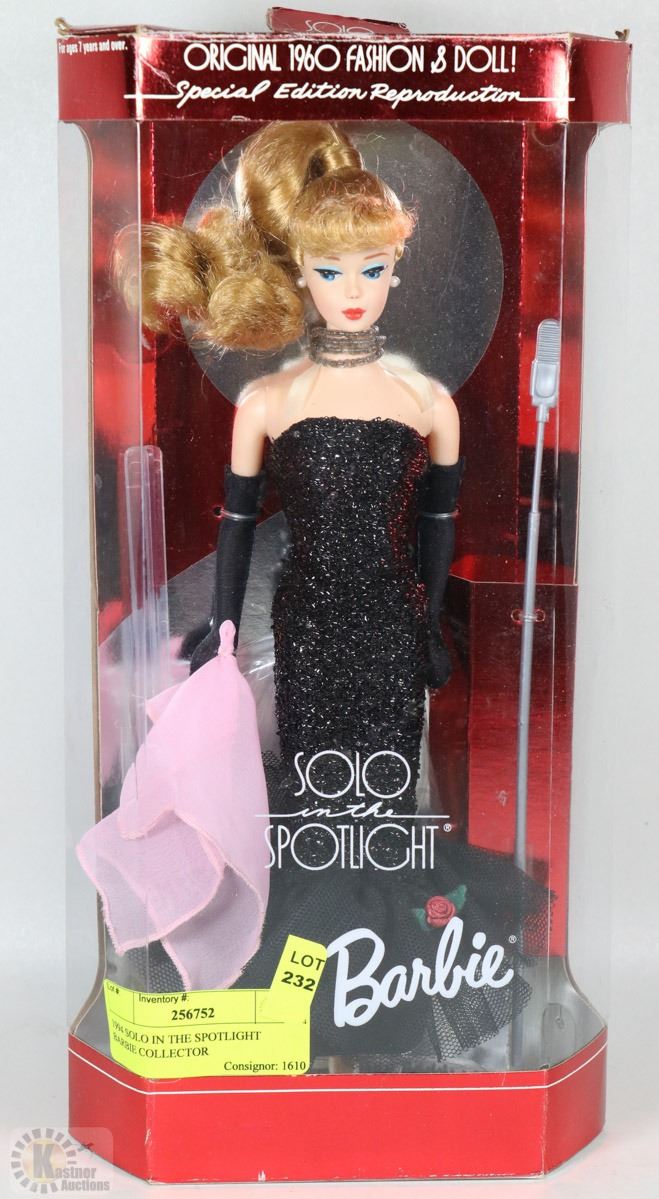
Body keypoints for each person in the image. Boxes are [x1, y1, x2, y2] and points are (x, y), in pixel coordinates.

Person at [114, 122, 548, 1067]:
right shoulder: (267, 402)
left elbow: (436, 530)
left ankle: (390, 1021)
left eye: (371, 269)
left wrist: (429, 625)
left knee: (386, 813)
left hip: (390, 629)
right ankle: (310, 1017)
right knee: (315, 812)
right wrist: (220, 631)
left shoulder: (425, 402)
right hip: (307, 627)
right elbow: (236, 527)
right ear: (299, 273)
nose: (352, 290)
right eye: (329, 270)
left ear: (396, 268)